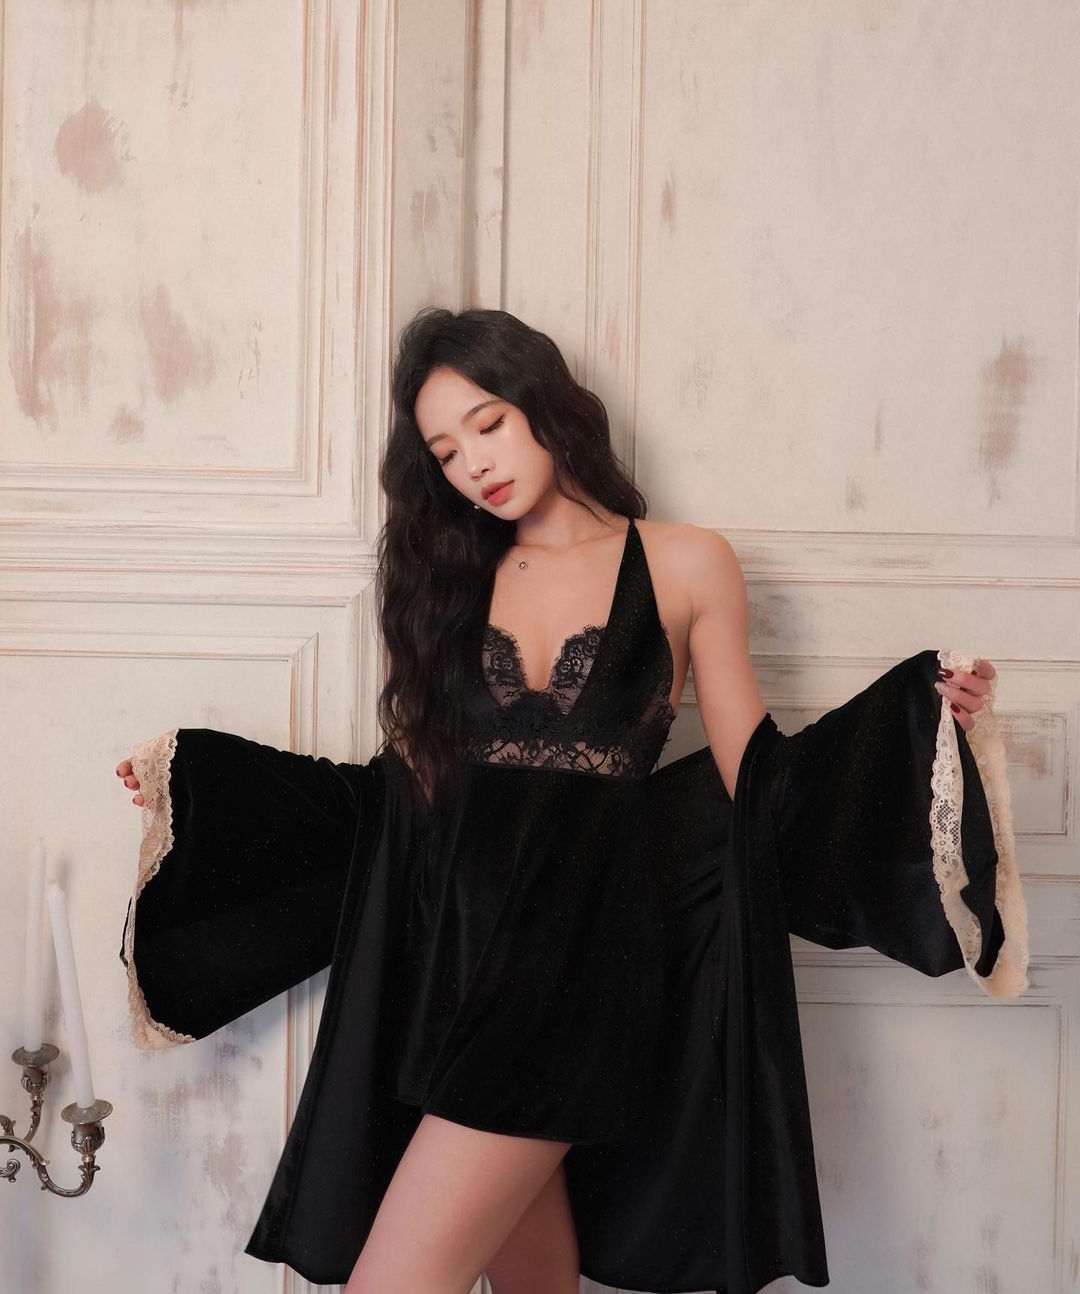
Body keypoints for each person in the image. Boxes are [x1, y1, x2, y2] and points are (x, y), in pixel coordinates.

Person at [116, 307, 1027, 1294]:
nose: (473, 463)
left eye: (489, 424)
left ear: (543, 402)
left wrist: (920, 712)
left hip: (576, 978)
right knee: (535, 1284)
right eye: (445, 450)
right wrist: (200, 778)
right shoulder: (451, 579)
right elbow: (400, 798)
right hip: (451, 975)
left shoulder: (687, 563)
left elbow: (759, 781)